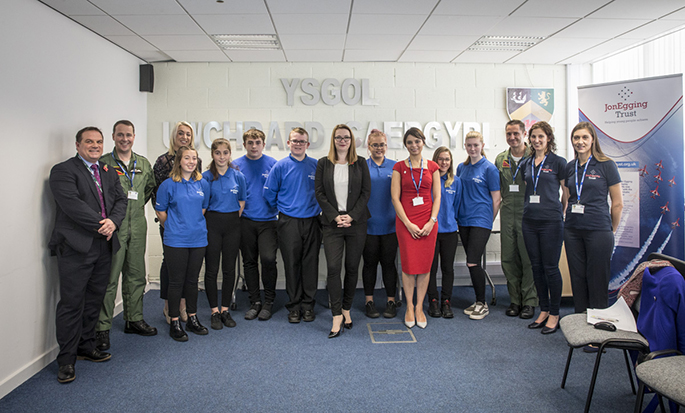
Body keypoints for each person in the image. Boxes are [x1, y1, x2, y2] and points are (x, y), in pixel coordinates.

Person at [49, 126, 128, 383]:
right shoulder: (63, 171)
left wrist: (113, 222)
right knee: (72, 303)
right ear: (77, 144)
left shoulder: (106, 169)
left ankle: (86, 346)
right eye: (89, 142)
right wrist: (102, 224)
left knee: (94, 299)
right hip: (76, 247)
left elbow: (121, 200)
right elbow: (72, 205)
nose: (95, 145)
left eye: (98, 142)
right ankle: (67, 360)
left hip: (104, 245)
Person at [95, 120, 157, 352]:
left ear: (134, 136)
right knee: (109, 279)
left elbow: (148, 189)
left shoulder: (142, 163)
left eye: (128, 135)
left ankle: (134, 319)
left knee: (136, 275)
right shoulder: (104, 164)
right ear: (113, 136)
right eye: (120, 135)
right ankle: (102, 327)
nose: (125, 139)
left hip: (138, 225)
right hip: (113, 227)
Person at [315, 124, 371, 338]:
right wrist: (335, 216)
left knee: (352, 267)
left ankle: (347, 308)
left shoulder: (361, 163)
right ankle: (336, 314)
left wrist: (352, 215)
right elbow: (319, 193)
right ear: (333, 139)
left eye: (346, 137)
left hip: (356, 223)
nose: (342, 140)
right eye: (338, 137)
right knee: (333, 267)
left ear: (352, 140)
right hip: (332, 223)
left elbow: (366, 193)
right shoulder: (323, 164)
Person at [264, 127, 322, 324]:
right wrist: (284, 209)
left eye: (302, 141)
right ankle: (294, 306)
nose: (298, 144)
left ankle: (308, 306)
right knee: (291, 264)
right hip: (288, 222)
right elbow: (269, 194)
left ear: (307, 144)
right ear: (288, 143)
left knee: (310, 265)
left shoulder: (316, 166)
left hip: (313, 221)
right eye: (295, 141)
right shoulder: (280, 167)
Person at [564, 122, 623, 314]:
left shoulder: (607, 165)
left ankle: (597, 328)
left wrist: (611, 229)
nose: (580, 142)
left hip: (598, 230)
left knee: (597, 279)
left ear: (592, 140)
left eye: (584, 137)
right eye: (576, 138)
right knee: (578, 278)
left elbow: (617, 203)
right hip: (572, 230)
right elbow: (567, 196)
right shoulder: (570, 167)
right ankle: (581, 322)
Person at [154, 146, 210, 341]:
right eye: (187, 158)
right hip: (175, 240)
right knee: (176, 281)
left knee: (193, 281)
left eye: (194, 158)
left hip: (198, 238)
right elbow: (161, 212)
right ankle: (175, 319)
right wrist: (175, 226)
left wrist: (190, 223)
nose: (191, 161)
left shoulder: (202, 184)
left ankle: (192, 318)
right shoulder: (167, 185)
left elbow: (203, 208)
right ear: (179, 161)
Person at [521, 121, 568, 334]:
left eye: (541, 136)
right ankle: (544, 309)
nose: (537, 140)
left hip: (551, 222)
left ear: (548, 138)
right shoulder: (527, 163)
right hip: (530, 221)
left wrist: (560, 212)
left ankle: (555, 313)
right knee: (536, 267)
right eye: (533, 137)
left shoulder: (559, 162)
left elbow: (566, 194)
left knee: (550, 267)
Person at [391, 127, 441, 329]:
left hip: (428, 222)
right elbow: (395, 198)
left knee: (424, 266)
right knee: (409, 266)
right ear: (405, 144)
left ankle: (420, 306)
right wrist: (408, 223)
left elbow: (437, 196)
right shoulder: (398, 167)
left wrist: (432, 221)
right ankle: (409, 307)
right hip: (406, 222)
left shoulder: (433, 167)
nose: (414, 145)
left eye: (417, 141)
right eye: (410, 142)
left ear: (423, 142)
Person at [152, 121, 202, 324]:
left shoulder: (194, 161)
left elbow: (201, 201)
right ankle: (169, 307)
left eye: (188, 134)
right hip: (171, 226)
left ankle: (183, 307)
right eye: (180, 133)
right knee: (171, 266)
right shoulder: (163, 161)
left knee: (189, 272)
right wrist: (170, 225)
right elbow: (159, 198)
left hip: (191, 229)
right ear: (174, 136)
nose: (184, 137)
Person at [233, 129, 279, 321]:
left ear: (263, 144)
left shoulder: (273, 164)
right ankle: (255, 302)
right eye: (250, 142)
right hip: (245, 221)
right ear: (244, 145)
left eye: (257, 142)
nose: (254, 146)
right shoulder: (235, 166)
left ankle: (269, 301)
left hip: (268, 221)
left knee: (268, 259)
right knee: (249, 262)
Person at [202, 138, 246, 330]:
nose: (221, 156)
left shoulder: (238, 177)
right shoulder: (204, 177)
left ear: (230, 154)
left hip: (232, 225)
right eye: (218, 152)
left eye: (225, 152)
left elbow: (241, 202)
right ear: (212, 154)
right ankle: (214, 311)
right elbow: (202, 205)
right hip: (212, 224)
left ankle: (225, 309)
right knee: (212, 270)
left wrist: (230, 219)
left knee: (229, 270)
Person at [457, 131, 501, 320]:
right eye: (469, 145)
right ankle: (477, 301)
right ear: (465, 146)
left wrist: (487, 222)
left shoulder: (489, 169)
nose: (472, 148)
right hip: (464, 220)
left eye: (476, 145)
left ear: (482, 145)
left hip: (481, 221)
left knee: (472, 261)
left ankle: (482, 303)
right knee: (471, 261)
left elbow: (497, 199)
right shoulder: (461, 167)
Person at [495, 120, 537, 319]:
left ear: (524, 134)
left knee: (528, 258)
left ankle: (529, 301)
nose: (512, 137)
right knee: (508, 258)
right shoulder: (500, 159)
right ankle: (514, 300)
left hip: (529, 214)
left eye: (516, 134)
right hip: (508, 214)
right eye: (508, 134)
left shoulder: (535, 157)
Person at [362, 129, 399, 319]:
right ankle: (369, 301)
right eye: (374, 145)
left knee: (388, 265)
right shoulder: (361, 166)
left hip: (391, 226)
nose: (378, 148)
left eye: (382, 144)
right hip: (367, 226)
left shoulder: (395, 167)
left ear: (386, 146)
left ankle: (391, 301)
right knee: (369, 264)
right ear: (368, 146)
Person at [427, 147, 462, 319]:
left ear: (451, 162)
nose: (443, 162)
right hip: (431, 231)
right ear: (435, 161)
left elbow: (458, 206)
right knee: (431, 269)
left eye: (447, 159)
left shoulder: (456, 182)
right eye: (440, 159)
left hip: (449, 231)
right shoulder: (428, 180)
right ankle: (433, 300)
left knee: (448, 268)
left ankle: (446, 301)